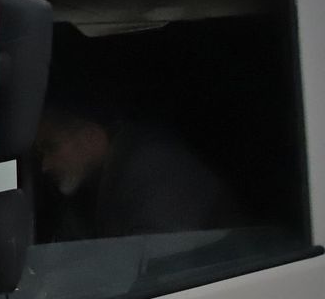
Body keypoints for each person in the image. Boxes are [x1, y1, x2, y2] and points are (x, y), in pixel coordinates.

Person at [34, 76, 242, 240]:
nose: (44, 166)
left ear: (91, 137)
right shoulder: (87, 186)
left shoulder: (156, 169)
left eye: (51, 148)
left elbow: (155, 271)